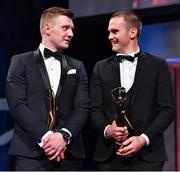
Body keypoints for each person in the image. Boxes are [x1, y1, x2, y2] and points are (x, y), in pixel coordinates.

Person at [6, 7, 89, 170]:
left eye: (72, 29)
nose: (71, 34)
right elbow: (17, 105)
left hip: (69, 154)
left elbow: (82, 107)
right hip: (30, 152)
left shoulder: (77, 66)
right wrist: (47, 138)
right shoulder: (20, 61)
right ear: (47, 29)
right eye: (65, 28)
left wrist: (64, 136)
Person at [90, 10, 175, 171]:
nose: (109, 36)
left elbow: (167, 110)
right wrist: (108, 130)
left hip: (148, 158)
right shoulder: (100, 68)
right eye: (109, 32)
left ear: (132, 32)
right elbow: (94, 110)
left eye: (115, 31)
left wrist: (143, 139)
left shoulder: (158, 65)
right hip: (109, 158)